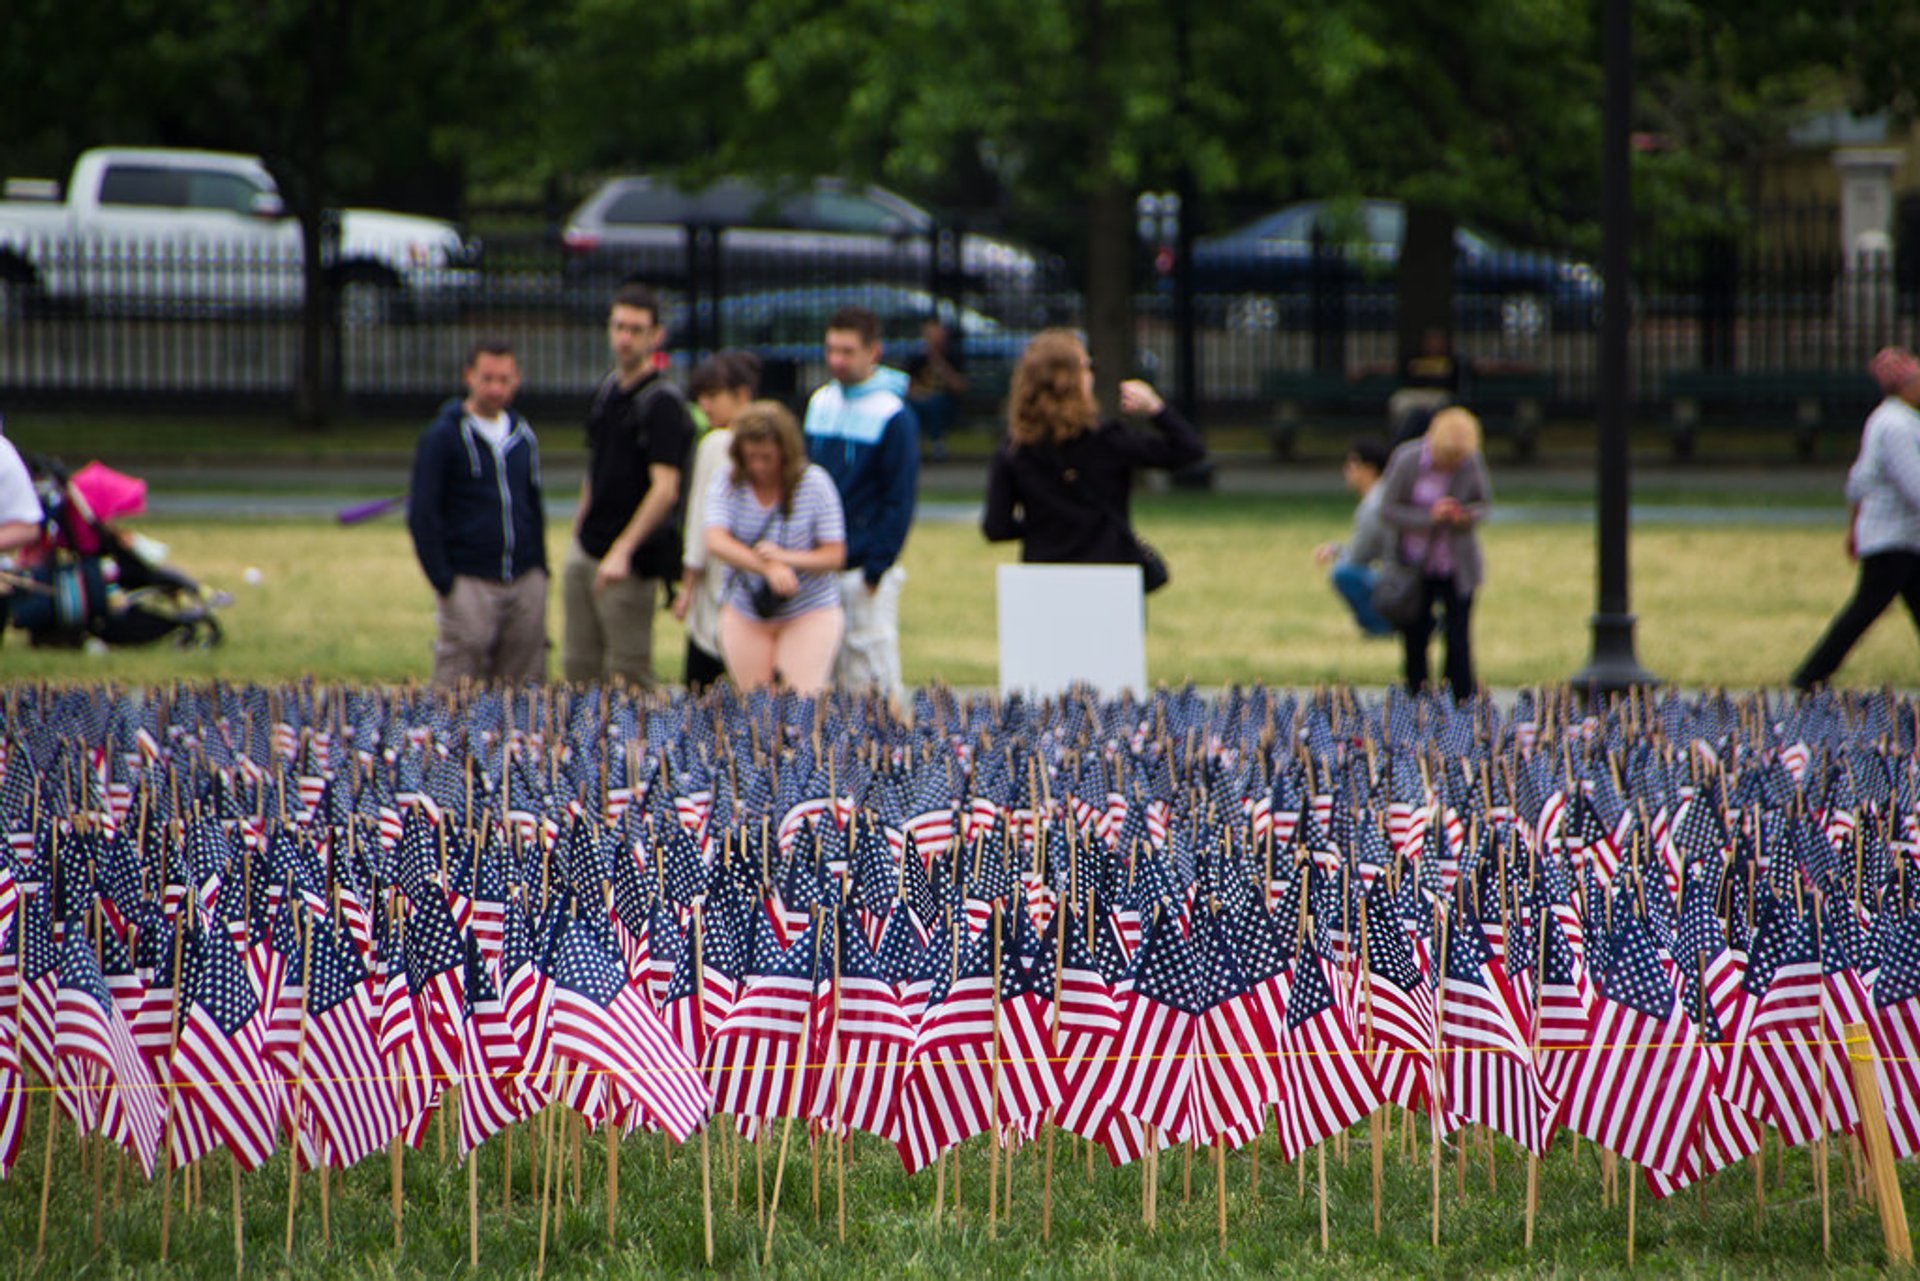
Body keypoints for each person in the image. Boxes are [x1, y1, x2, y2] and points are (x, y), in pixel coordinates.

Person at [981, 329, 1203, 569]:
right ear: (1071, 380)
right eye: (1086, 368)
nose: (1091, 375)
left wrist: (1041, 525)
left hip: (1044, 577)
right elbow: (1188, 450)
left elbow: (996, 528)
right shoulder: (1108, 439)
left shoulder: (1014, 448)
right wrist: (1156, 409)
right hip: (1111, 573)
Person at [564, 284, 695, 688]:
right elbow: (596, 467)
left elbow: (665, 488)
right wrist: (578, 529)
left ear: (656, 336)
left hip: (629, 561)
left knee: (628, 675)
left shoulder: (662, 403)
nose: (625, 337)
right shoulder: (607, 390)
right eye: (619, 327)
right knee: (578, 667)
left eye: (636, 329)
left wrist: (623, 548)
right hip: (588, 547)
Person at [407, 339, 548, 685]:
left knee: (523, 684)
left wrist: (541, 569)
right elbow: (423, 513)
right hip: (469, 578)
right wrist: (444, 579)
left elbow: (533, 504)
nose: (496, 388)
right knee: (459, 681)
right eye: (487, 379)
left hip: (523, 576)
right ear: (469, 376)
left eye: (504, 379)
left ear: (516, 380)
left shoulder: (522, 436)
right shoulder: (444, 436)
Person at [803, 306, 918, 702]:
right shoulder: (820, 402)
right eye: (831, 350)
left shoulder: (892, 414)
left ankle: (884, 758)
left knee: (870, 672)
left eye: (847, 351)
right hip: (817, 565)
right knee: (822, 675)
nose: (837, 360)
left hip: (862, 568)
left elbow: (899, 498)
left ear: (874, 352)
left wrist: (876, 567)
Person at [1791, 347, 1920, 688]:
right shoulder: (1896, 425)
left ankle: (1811, 675)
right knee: (1864, 609)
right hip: (1894, 535)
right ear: (1905, 384)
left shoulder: (1889, 419)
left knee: (1872, 608)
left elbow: (1856, 481)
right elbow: (1915, 485)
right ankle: (1811, 675)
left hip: (1899, 535)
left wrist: (1854, 528)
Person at [704, 400, 847, 695]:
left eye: (767, 457)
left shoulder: (815, 483)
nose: (758, 466)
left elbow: (835, 554)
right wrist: (766, 567)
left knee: (800, 703)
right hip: (746, 608)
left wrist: (786, 559)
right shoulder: (728, 480)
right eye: (751, 457)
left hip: (809, 608)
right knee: (755, 707)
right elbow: (715, 540)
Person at [1377, 406, 1493, 702]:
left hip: (1457, 564)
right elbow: (1388, 509)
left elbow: (1484, 506)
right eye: (1448, 458)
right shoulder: (1408, 459)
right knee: (1415, 635)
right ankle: (1417, 697)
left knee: (1458, 638)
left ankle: (1460, 700)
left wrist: (1462, 515)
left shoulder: (1470, 462)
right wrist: (1430, 516)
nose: (1452, 464)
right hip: (1416, 563)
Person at [674, 350, 761, 692]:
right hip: (758, 582)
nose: (704, 406)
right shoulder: (772, 440)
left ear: (741, 395)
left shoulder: (717, 443)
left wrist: (687, 584)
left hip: (719, 580)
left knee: (702, 695)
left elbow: (699, 520)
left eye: (712, 396)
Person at [1312, 436, 1395, 636]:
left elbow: (1358, 557)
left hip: (1399, 579)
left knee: (1344, 574)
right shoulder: (1386, 495)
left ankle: (1382, 626)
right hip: (1407, 574)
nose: (1346, 471)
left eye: (1352, 465)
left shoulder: (1373, 505)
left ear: (1369, 469)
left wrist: (1336, 552)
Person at [904, 319, 967, 462]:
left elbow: (959, 386)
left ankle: (938, 445)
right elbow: (908, 384)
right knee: (911, 407)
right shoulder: (917, 358)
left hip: (946, 401)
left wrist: (938, 362)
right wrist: (919, 393)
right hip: (921, 400)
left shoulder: (953, 356)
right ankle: (912, 445)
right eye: (930, 335)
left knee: (936, 404)